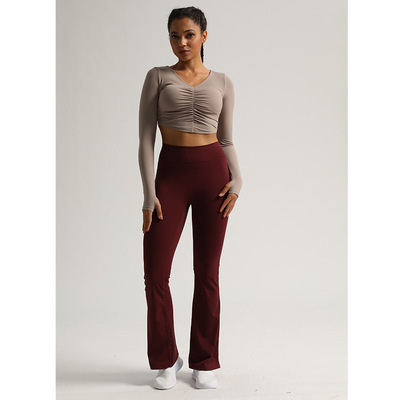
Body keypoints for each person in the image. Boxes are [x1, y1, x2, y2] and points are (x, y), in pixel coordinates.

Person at [138, 6, 243, 390]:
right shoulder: (158, 77)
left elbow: (226, 139)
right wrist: (149, 193)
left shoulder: (224, 82)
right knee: (156, 273)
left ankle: (204, 361)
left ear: (203, 36)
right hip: (171, 176)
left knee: (207, 271)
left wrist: (238, 179)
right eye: (174, 35)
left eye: (188, 34)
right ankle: (166, 358)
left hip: (214, 176)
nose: (181, 42)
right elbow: (145, 140)